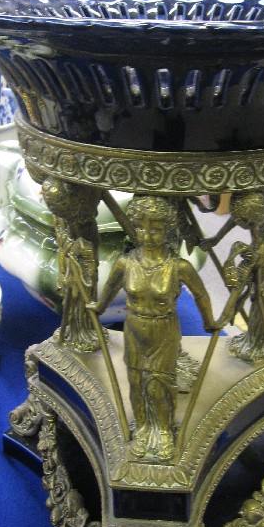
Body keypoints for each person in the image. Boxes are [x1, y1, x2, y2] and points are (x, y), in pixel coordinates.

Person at [88, 196, 218, 462]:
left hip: (163, 331)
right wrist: (98, 308)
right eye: (141, 228)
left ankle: (162, 432)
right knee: (136, 383)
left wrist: (209, 321)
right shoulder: (126, 263)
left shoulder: (178, 266)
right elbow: (110, 288)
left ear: (167, 230)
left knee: (159, 385)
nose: (147, 235)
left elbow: (201, 295)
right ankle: (144, 429)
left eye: (156, 229)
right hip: (135, 328)